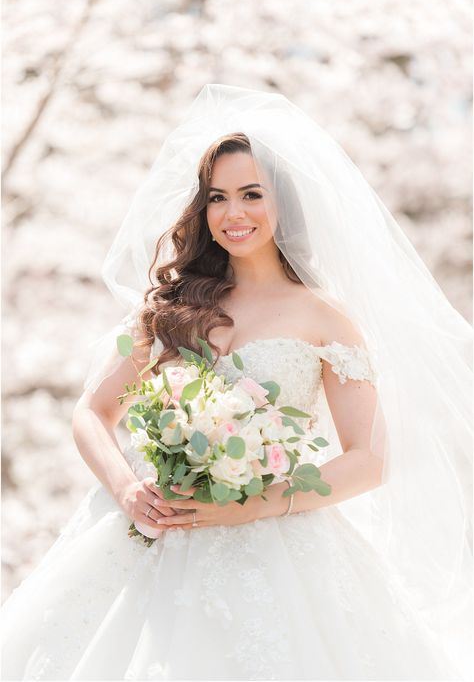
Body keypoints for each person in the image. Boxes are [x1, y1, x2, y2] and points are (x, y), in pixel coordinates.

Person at [1, 85, 472, 681]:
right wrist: (126, 491)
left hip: (280, 542)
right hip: (152, 529)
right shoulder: (168, 308)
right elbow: (92, 413)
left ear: (286, 203)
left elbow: (369, 459)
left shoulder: (325, 317)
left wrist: (251, 507)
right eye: (217, 197)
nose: (233, 213)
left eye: (252, 194)